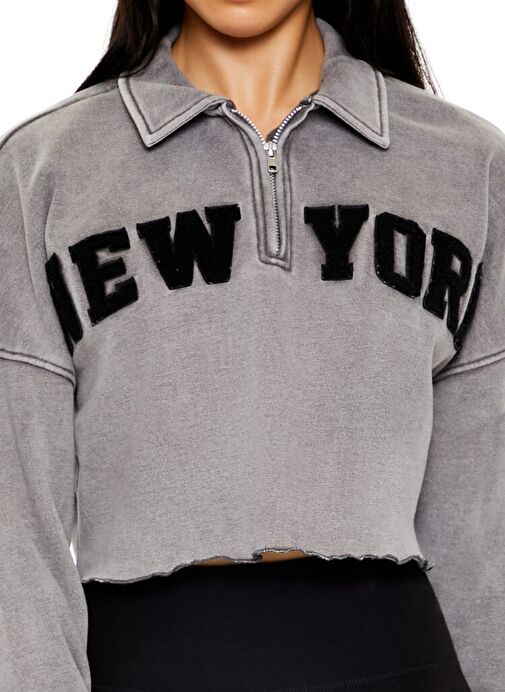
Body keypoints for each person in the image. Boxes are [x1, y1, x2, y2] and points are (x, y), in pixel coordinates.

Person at [1, 0, 504, 690]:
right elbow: (15, 518)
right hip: (142, 661)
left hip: (400, 657)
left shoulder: (465, 164)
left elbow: (483, 526)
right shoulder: (44, 168)